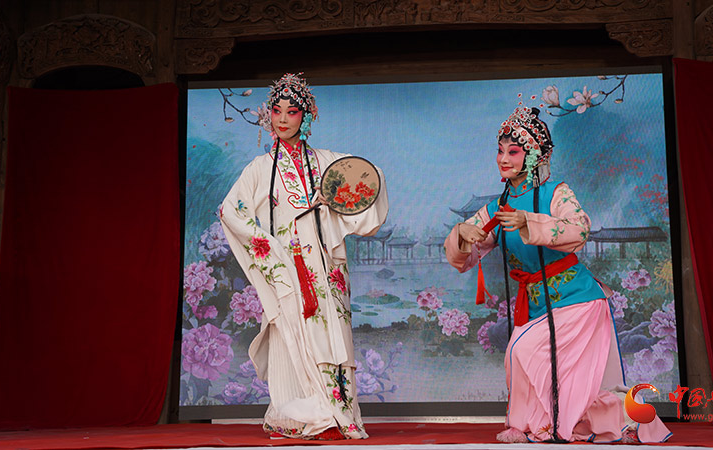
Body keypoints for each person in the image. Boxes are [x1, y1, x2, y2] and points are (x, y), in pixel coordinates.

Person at [444, 103, 671, 443]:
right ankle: (615, 422)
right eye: (500, 151)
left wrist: (529, 222)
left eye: (513, 151)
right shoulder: (495, 208)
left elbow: (580, 229)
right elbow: (464, 258)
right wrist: (462, 234)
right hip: (537, 303)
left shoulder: (556, 193)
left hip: (576, 299)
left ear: (534, 155)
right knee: (554, 375)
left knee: (521, 351)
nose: (503, 159)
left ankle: (531, 425)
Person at [220, 73, 388, 440]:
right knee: (296, 334)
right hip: (288, 263)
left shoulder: (328, 162)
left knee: (335, 335)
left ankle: (341, 414)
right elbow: (230, 211)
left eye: (292, 111)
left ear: (306, 115)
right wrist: (269, 249)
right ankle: (305, 415)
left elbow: (370, 178)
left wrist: (336, 198)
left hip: (327, 264)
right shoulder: (260, 168)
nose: (282, 119)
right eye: (276, 110)